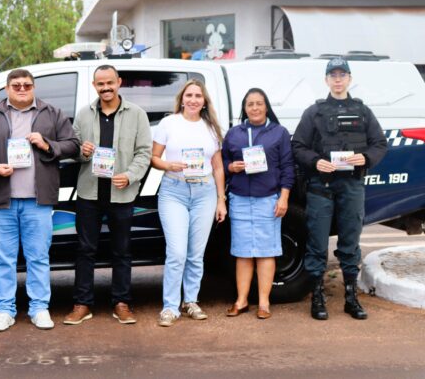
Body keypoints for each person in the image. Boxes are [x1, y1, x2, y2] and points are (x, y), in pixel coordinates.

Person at [0, 69, 79, 332]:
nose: (21, 89)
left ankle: (39, 308)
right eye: (16, 85)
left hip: (38, 201)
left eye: (27, 85)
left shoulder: (51, 113)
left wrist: (47, 144)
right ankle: (5, 310)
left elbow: (73, 144)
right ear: (7, 89)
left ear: (34, 88)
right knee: (2, 258)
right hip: (1, 200)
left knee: (38, 257)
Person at [291, 57, 387, 321]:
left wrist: (366, 158)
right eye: (332, 75)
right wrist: (316, 161)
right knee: (316, 244)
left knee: (350, 244)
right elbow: (298, 146)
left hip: (352, 186)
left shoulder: (363, 111)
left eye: (341, 74)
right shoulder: (314, 112)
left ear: (349, 78)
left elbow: (379, 143)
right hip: (320, 187)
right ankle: (318, 297)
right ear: (326, 80)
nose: (337, 79)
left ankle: (350, 297)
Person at [65, 65, 152, 326]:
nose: (106, 88)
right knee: (85, 250)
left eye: (110, 83)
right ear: (94, 86)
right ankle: (82, 304)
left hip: (122, 193)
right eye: (100, 84)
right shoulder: (83, 114)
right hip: (89, 192)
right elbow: (74, 149)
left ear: (119, 82)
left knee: (122, 251)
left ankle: (122, 303)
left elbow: (144, 152)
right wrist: (83, 152)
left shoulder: (137, 114)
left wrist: (131, 175)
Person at [150, 80, 227, 327]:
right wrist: (168, 165)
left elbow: (217, 167)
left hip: (205, 192)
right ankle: (170, 307)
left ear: (204, 101)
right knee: (177, 252)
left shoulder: (211, 128)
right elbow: (153, 157)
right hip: (174, 190)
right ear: (182, 99)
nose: (194, 99)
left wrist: (221, 199)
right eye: (189, 95)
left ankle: (190, 301)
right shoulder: (168, 123)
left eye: (198, 96)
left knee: (196, 254)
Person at [222, 88, 294, 320]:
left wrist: (283, 197)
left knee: (266, 252)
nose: (254, 108)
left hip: (268, 199)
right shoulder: (234, 133)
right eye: (250, 104)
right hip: (240, 199)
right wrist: (231, 167)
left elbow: (287, 167)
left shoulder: (279, 133)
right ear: (244, 108)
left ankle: (264, 302)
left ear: (266, 106)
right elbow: (222, 161)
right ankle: (241, 300)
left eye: (259, 103)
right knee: (243, 252)